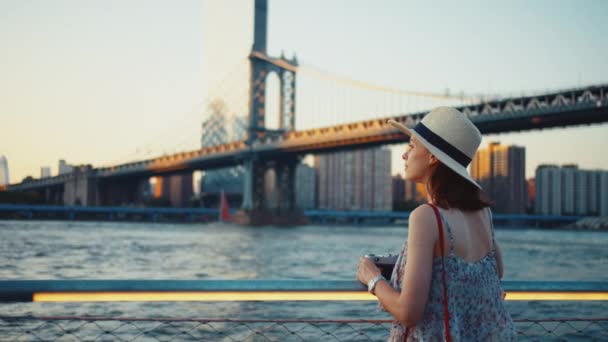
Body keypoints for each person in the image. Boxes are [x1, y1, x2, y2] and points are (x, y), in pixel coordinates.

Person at [356, 107, 516, 341]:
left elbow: (408, 313)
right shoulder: (484, 214)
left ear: (432, 156)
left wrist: (372, 277)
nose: (404, 155)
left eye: (411, 146)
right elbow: (492, 272)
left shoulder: (426, 216)